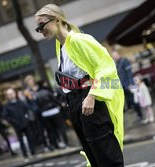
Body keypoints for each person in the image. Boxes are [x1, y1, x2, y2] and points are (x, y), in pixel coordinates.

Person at [35, 4, 124, 167]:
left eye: (42, 25)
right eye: (37, 28)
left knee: (107, 156)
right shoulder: (60, 46)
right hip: (74, 103)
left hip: (88, 101)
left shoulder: (78, 39)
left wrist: (92, 96)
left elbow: (106, 67)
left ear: (56, 19)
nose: (40, 30)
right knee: (94, 155)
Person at [3, 88, 35, 159]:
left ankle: (33, 152)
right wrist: (13, 121)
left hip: (25, 123)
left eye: (12, 93)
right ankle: (25, 154)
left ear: (14, 94)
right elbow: (5, 116)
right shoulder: (7, 105)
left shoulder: (20, 102)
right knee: (21, 141)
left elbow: (28, 109)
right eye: (9, 94)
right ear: (7, 96)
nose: (11, 95)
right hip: (17, 126)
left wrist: (27, 118)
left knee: (30, 138)